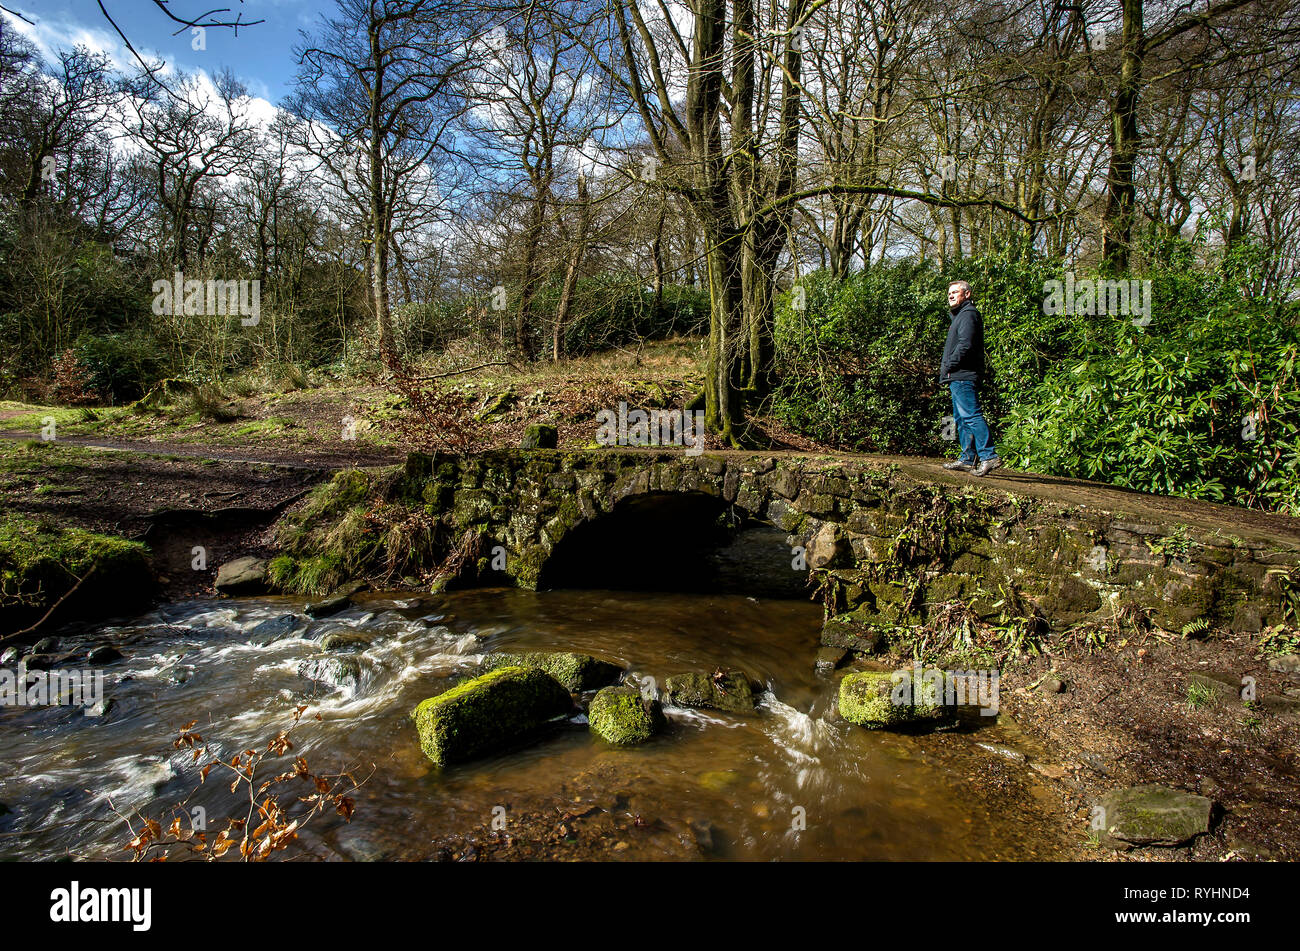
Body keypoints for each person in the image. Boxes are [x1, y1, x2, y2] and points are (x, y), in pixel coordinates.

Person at [939, 280, 1002, 477]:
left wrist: (949, 365)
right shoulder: (959, 316)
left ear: (966, 294)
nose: (950, 295)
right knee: (960, 418)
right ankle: (967, 458)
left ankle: (989, 456)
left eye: (955, 292)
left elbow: (965, 345)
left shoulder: (968, 314)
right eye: (949, 293)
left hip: (963, 374)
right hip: (957, 375)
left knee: (971, 415)